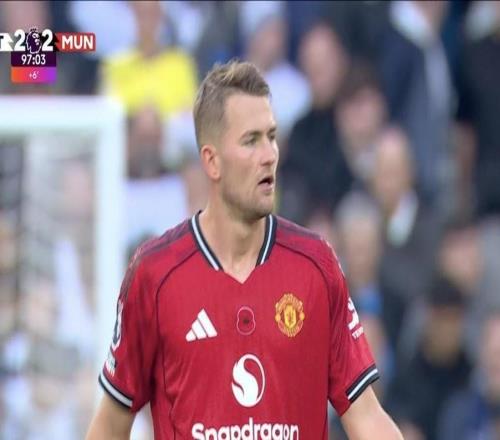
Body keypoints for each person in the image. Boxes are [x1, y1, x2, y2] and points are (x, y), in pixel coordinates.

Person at [86, 60, 402, 439]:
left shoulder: (315, 266)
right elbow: (110, 425)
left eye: (272, 136)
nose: (269, 155)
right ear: (212, 161)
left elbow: (367, 417)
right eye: (251, 141)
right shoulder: (155, 274)